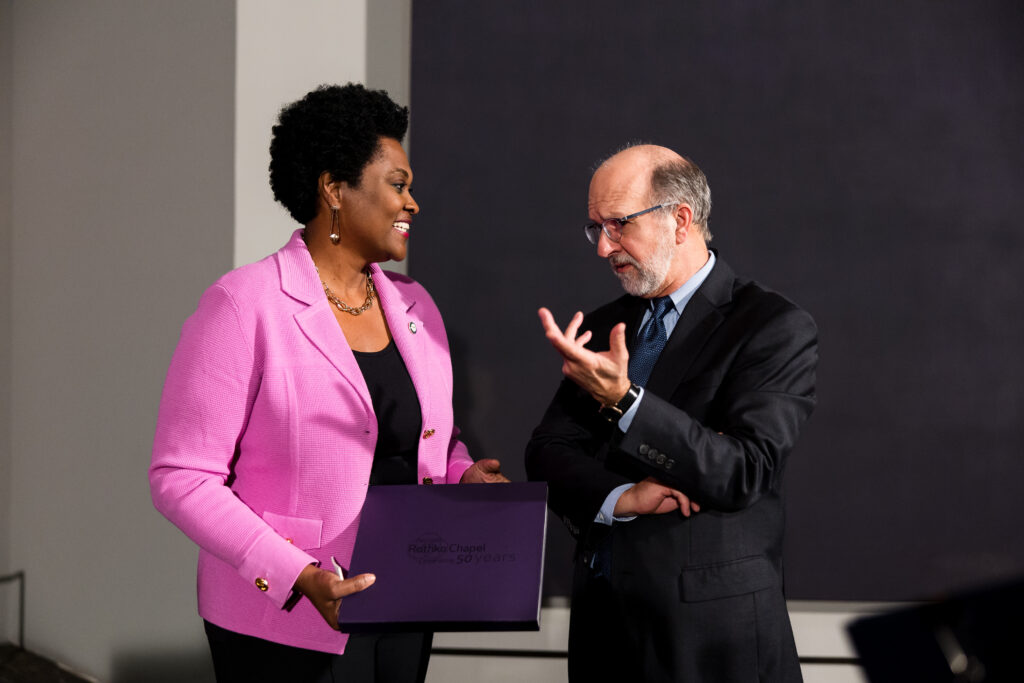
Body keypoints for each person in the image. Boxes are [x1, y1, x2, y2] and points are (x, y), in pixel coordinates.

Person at [150, 83, 506, 683]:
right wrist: (295, 575)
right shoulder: (243, 305)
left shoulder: (418, 309)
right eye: (398, 185)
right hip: (279, 620)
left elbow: (434, 442)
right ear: (335, 189)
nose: (413, 203)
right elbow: (181, 478)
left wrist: (462, 474)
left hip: (405, 606)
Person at [525, 144, 817, 682]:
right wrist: (621, 497)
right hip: (603, 630)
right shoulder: (605, 322)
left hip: (710, 639)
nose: (603, 248)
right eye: (595, 228)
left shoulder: (771, 326)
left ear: (680, 219)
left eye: (617, 225)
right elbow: (546, 453)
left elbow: (742, 469)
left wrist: (627, 403)